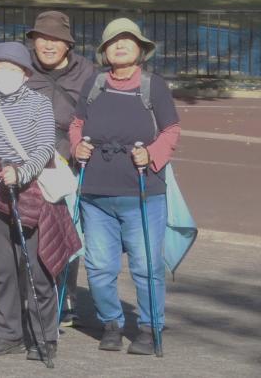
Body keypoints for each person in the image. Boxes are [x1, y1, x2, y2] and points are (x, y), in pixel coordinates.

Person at [70, 18, 181, 356]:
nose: (120, 46)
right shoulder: (95, 84)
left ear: (140, 49)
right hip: (95, 193)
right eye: (113, 41)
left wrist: (151, 154)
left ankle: (149, 327)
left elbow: (171, 130)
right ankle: (111, 324)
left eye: (127, 40)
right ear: (104, 51)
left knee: (146, 268)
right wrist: (77, 148)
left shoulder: (154, 86)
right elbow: (77, 124)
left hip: (143, 192)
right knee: (99, 267)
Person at [0, 42, 79, 363]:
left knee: (38, 268)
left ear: (25, 74)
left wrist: (23, 171)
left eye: (12, 70)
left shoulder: (39, 104)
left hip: (34, 194)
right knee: (2, 269)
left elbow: (45, 147)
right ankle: (7, 333)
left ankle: (44, 336)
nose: (5, 75)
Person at [25, 10, 96, 325]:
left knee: (68, 230)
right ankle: (33, 295)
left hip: (71, 161)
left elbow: (96, 117)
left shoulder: (88, 73)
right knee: (31, 230)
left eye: (56, 40)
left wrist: (74, 151)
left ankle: (65, 296)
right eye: (42, 39)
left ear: (68, 45)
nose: (48, 45)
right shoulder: (22, 68)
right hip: (28, 160)